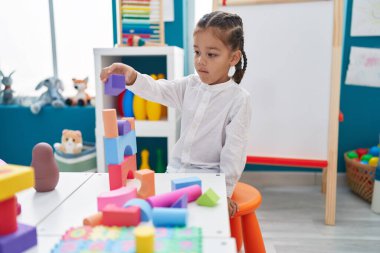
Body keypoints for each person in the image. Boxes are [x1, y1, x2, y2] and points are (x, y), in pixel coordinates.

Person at [100, 11, 251, 217]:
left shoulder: (238, 99)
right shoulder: (190, 84)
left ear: (233, 57)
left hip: (209, 180)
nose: (200, 61)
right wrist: (132, 76)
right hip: (174, 173)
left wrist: (224, 191)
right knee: (158, 220)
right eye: (197, 52)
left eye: (211, 54)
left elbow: (234, 152)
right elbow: (158, 89)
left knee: (200, 224)